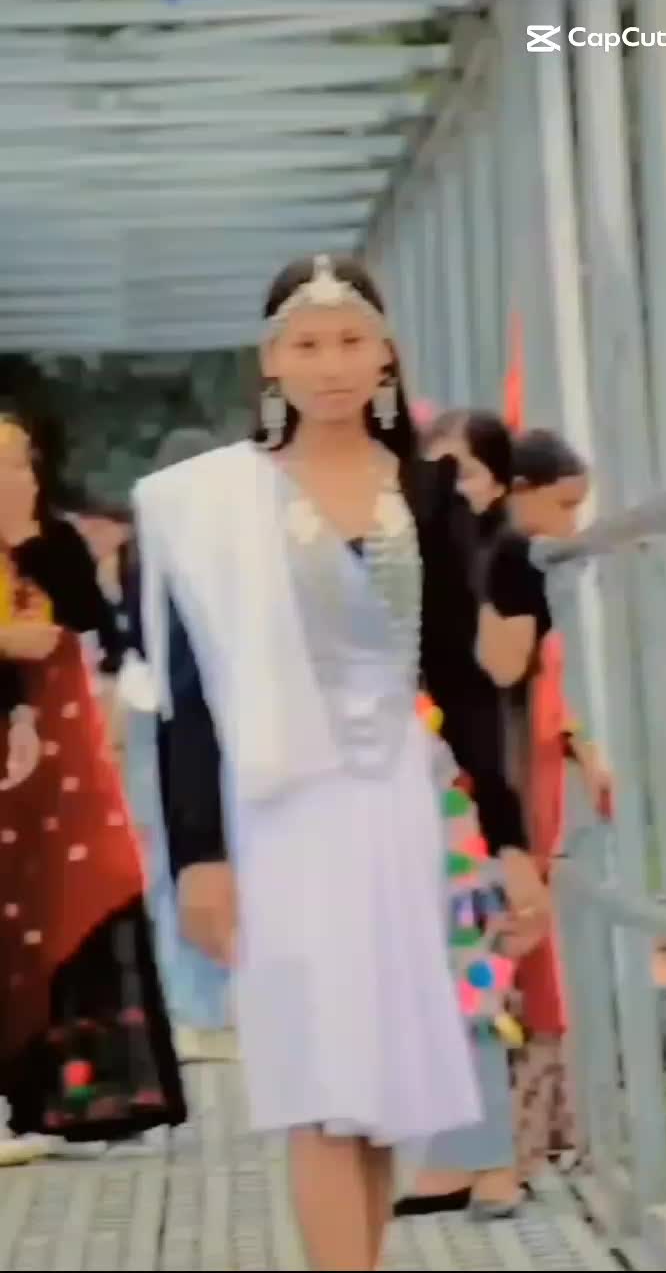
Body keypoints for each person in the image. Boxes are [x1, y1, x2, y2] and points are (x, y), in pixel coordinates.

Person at [134, 256, 548, 1271]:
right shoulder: (217, 505)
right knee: (319, 1083)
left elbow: (460, 681)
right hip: (280, 817)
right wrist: (199, 856)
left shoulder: (428, 491)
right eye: (308, 343)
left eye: (351, 341)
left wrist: (508, 840)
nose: (331, 364)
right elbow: (189, 700)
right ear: (271, 360)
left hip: (396, 807)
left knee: (376, 1091)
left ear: (385, 354)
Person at [0, 409, 186, 1156]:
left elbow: (96, 631)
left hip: (64, 761)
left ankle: (96, 1097)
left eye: (23, 462)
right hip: (12, 760)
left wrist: (28, 552)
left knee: (90, 891)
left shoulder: (55, 543)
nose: (17, 476)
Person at [395, 410, 528, 1218]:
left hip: (444, 778)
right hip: (373, 777)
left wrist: (505, 830)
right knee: (416, 970)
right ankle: (453, 1155)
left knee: (468, 956)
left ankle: (492, 1156)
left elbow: (480, 683)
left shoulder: (500, 555)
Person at [478, 427, 613, 1183]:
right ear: (521, 492)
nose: (572, 525)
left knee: (528, 954)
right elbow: (506, 685)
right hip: (511, 793)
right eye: (563, 506)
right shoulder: (507, 562)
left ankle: (536, 1135)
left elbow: (538, 691)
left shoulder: (519, 561)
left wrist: (580, 747)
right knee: (518, 957)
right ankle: (515, 1144)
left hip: (532, 783)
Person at [121, 428, 235, 1063]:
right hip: (211, 716)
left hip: (159, 717)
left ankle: (193, 1003)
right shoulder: (222, 552)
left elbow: (139, 638)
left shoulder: (145, 551)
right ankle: (217, 995)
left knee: (172, 859)